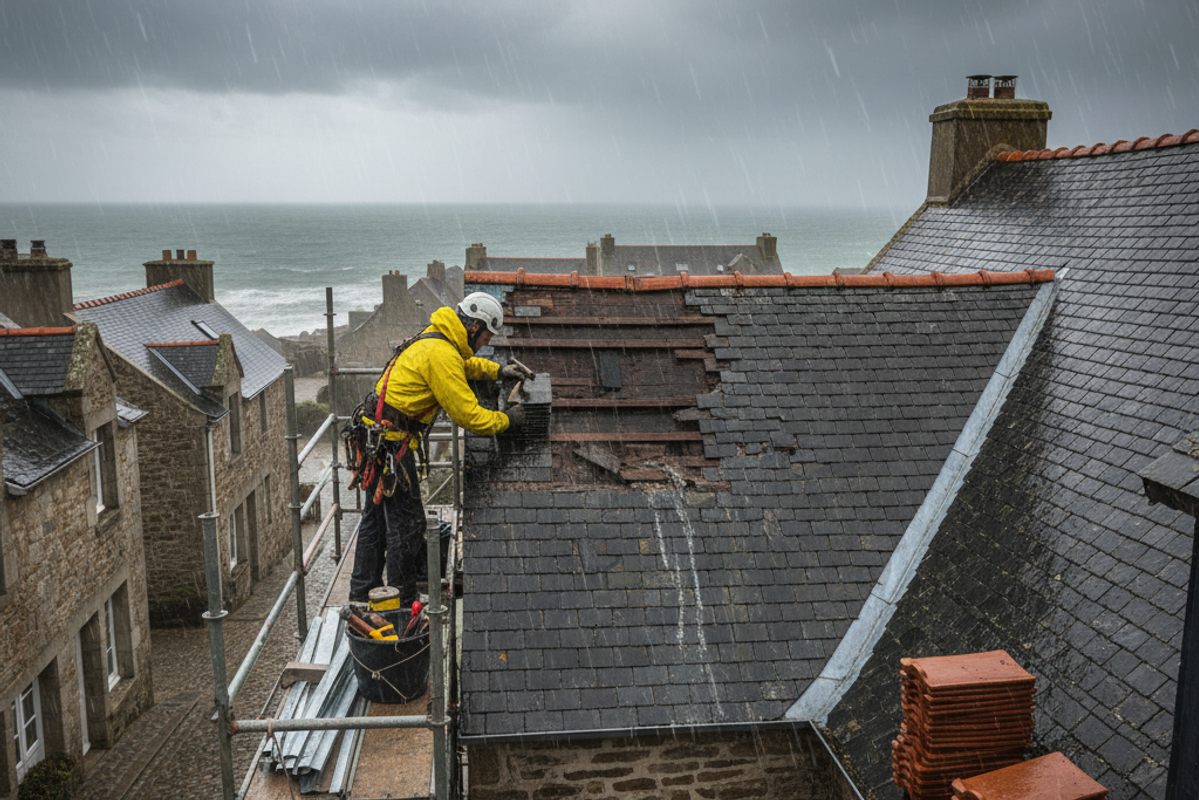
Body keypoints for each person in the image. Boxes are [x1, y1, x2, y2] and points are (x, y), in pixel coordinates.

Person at [348, 292, 528, 606]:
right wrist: (507, 420)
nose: (486, 343)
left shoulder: (440, 338)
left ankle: (362, 591)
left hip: (375, 435)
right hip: (391, 444)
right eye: (485, 335)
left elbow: (464, 366)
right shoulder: (441, 353)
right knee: (407, 525)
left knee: (375, 518)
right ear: (473, 327)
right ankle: (402, 604)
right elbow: (469, 415)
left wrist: (498, 371)